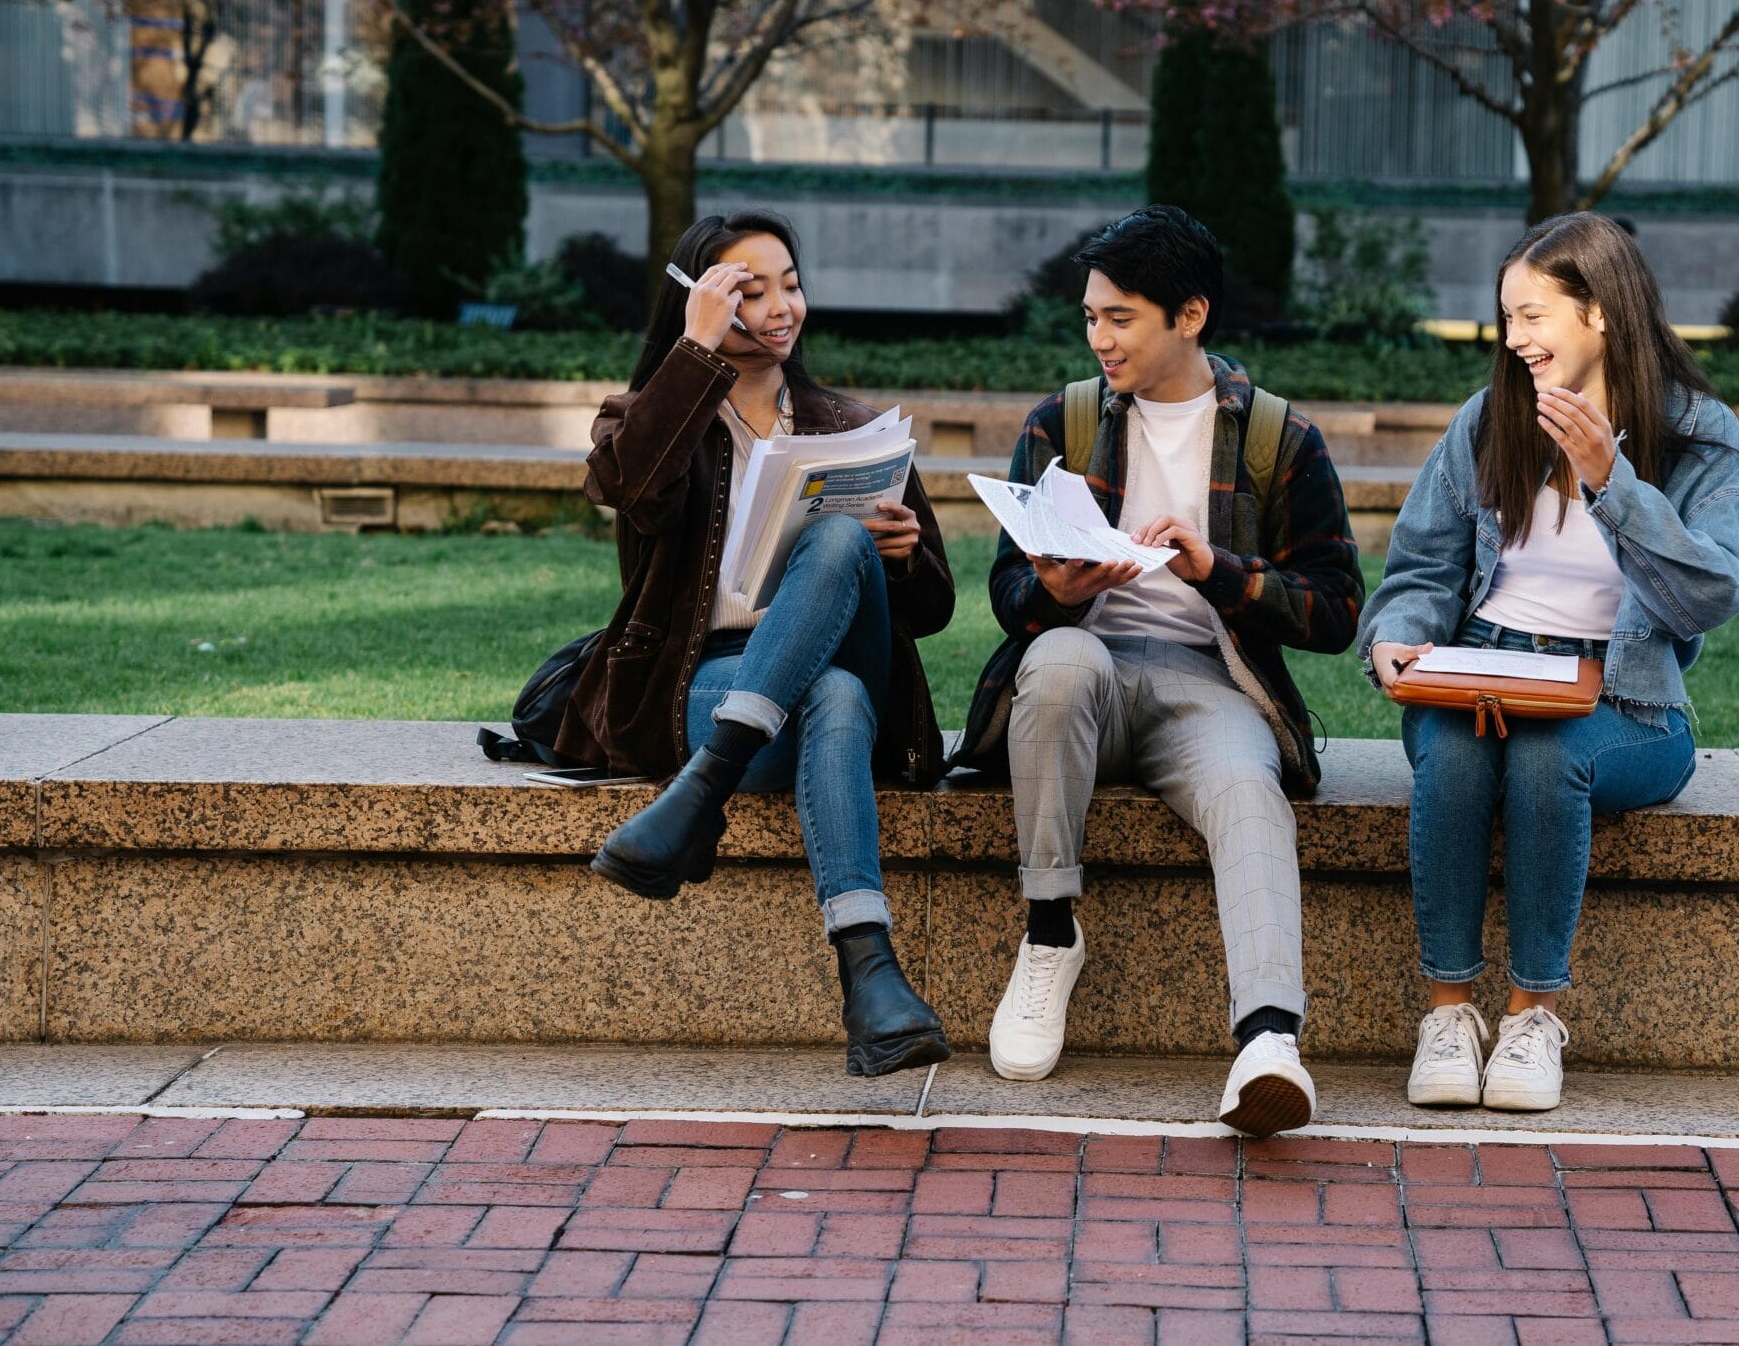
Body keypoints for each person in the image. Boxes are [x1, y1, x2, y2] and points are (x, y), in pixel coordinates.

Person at [953, 206, 1362, 1135]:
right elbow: (1007, 594)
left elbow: (1337, 608)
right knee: (1053, 660)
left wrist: (1219, 570)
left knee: (1248, 791)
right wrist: (1056, 588)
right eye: (1092, 316)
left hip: (1206, 681)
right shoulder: (1065, 418)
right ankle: (1051, 933)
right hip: (1083, 665)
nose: (1100, 337)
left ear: (1190, 315)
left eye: (1121, 316)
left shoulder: (1277, 438)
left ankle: (1268, 1039)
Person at [1359, 212, 1739, 1114]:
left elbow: (1719, 590)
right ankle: (1449, 1013)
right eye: (1508, 316)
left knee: (1550, 757)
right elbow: (1421, 567)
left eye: (1534, 315)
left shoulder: (1697, 434)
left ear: (1602, 312)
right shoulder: (1491, 417)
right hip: (1479, 667)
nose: (1516, 339)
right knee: (1459, 755)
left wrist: (1612, 482)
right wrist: (1397, 635)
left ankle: (1534, 1015)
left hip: (1623, 698)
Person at [553, 210, 955, 1079]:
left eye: (792, 282)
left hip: (836, 659)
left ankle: (700, 797)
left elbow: (932, 610)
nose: (782, 306)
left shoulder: (850, 424)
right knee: (835, 699)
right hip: (707, 680)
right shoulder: (650, 421)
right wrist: (693, 354)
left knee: (845, 546)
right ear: (702, 300)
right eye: (749, 289)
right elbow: (629, 492)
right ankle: (871, 976)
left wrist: (904, 554)